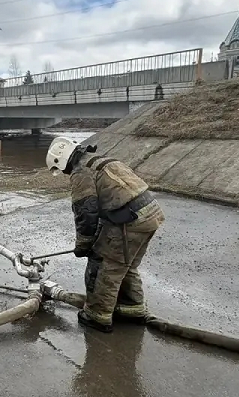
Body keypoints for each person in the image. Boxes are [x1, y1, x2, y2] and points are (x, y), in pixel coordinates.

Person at [45, 136, 165, 333]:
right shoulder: (101, 161)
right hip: (150, 214)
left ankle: (97, 315)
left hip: (130, 220)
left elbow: (86, 210)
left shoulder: (81, 172)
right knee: (124, 264)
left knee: (102, 265)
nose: (65, 174)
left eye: (62, 170)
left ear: (61, 160)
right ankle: (131, 308)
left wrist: (84, 244)